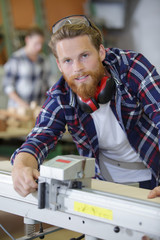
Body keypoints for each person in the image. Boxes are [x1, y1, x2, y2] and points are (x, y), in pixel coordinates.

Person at [11, 15, 160, 199]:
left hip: (152, 177)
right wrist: (21, 166)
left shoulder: (131, 67)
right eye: (67, 61)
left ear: (101, 52)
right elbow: (39, 136)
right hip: (101, 184)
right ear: (59, 65)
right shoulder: (61, 95)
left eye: (84, 56)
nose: (77, 68)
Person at [3, 26, 51, 109]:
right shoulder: (16, 58)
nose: (39, 47)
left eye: (41, 44)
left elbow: (48, 84)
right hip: (18, 108)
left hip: (38, 107)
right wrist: (23, 105)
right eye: (36, 43)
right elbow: (8, 86)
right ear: (27, 40)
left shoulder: (43, 60)